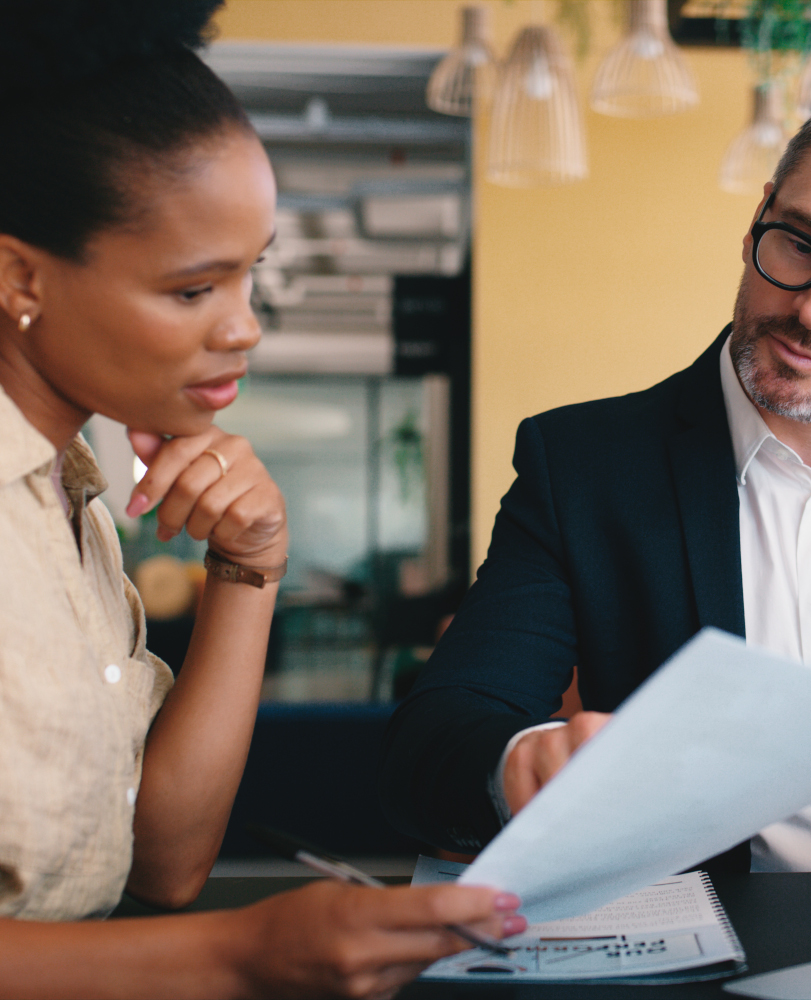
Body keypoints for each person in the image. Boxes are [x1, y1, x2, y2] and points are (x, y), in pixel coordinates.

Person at [0, 3, 526, 997]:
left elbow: (165, 862)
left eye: (252, 274)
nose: (245, 328)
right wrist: (236, 955)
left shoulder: (71, 505)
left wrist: (249, 568)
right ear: (20, 276)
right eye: (193, 289)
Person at [379, 87, 811, 884]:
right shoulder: (583, 468)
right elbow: (429, 746)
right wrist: (524, 765)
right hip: (704, 938)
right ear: (759, 217)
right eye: (801, 244)